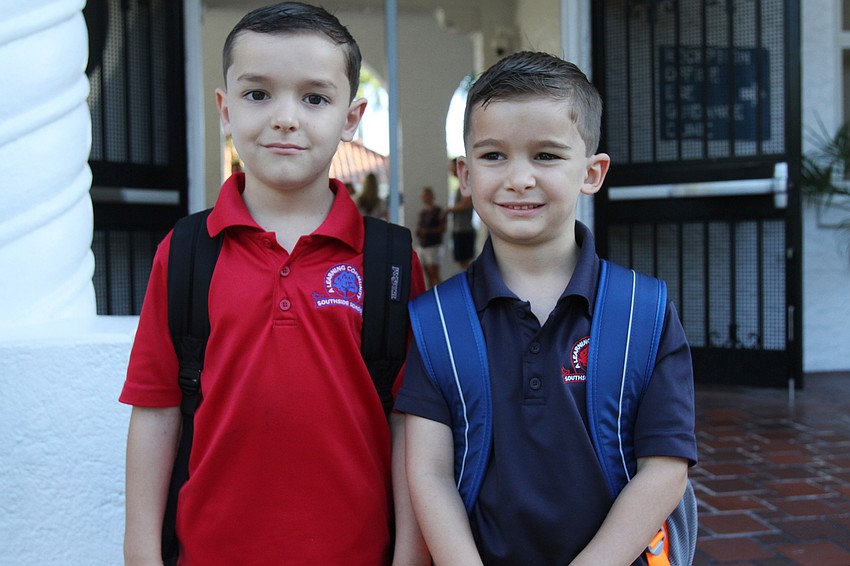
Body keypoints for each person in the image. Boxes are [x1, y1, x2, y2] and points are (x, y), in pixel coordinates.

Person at [120, 3, 427, 565]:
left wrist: (410, 556)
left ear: (351, 117)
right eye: (258, 94)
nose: (286, 118)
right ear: (225, 108)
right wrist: (140, 554)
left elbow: (411, 423)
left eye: (314, 98)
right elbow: (156, 410)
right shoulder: (187, 252)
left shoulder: (389, 262)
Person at [396, 51, 697, 565]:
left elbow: (666, 467)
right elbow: (429, 472)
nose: (519, 178)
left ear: (593, 171)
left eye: (547, 156)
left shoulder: (643, 312)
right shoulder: (435, 323)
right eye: (493, 156)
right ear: (464, 175)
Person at [444, 158, 476, 269]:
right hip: (459, 229)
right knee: (462, 264)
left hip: (464, 229)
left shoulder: (467, 185)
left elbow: (465, 205)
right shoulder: (460, 186)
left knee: (465, 264)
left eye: (452, 166)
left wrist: (448, 210)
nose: (450, 169)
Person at [415, 186, 446, 288]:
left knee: (434, 273)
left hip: (434, 246)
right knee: (426, 274)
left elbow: (442, 228)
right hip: (423, 245)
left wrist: (428, 232)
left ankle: (441, 295)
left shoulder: (438, 211)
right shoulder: (423, 213)